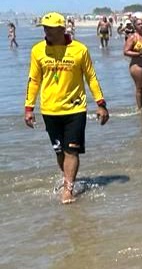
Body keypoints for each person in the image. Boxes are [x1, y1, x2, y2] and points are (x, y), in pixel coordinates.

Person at [23, 12, 108, 204]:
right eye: (44, 28)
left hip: (75, 109)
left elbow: (91, 77)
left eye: (50, 28)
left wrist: (101, 104)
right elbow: (33, 80)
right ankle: (68, 178)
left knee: (72, 151)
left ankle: (68, 188)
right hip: (50, 110)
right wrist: (29, 108)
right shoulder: (38, 51)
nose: (46, 31)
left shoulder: (79, 50)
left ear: (62, 29)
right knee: (59, 152)